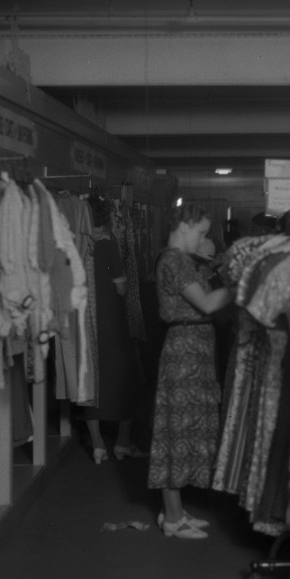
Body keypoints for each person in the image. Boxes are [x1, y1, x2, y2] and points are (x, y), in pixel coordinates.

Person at [147, 204, 232, 539]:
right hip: (183, 351)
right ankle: (171, 517)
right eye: (201, 231)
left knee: (184, 429)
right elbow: (208, 304)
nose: (204, 238)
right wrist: (246, 284)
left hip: (193, 350)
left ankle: (177, 510)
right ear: (183, 224)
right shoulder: (173, 260)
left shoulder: (183, 260)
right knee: (174, 431)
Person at [80, 196, 146, 464]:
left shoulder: (77, 244)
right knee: (124, 380)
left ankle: (97, 446)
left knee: (90, 382)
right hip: (110, 321)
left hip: (85, 322)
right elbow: (119, 284)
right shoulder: (106, 246)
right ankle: (123, 442)